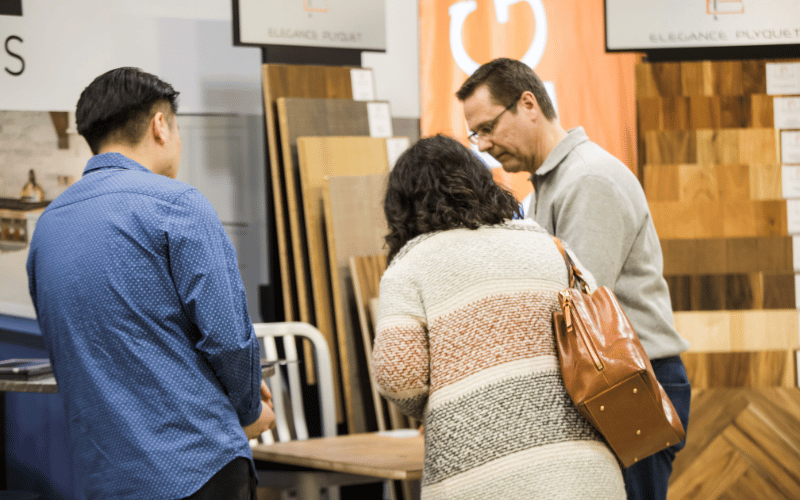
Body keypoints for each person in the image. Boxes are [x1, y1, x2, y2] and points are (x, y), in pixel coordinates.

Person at [26, 67, 275, 500]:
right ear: (161, 125)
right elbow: (230, 339)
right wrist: (249, 410)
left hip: (105, 477)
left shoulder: (47, 228)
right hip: (198, 468)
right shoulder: (177, 205)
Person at [456, 57, 691, 500]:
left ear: (528, 104)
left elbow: (574, 308)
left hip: (627, 382)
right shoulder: (546, 185)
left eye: (488, 127)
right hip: (604, 380)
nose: (483, 144)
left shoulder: (588, 179)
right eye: (475, 133)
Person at [372, 134, 626, 499]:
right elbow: (600, 338)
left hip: (485, 480)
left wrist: (440, 401)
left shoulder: (409, 266)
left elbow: (401, 377)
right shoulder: (551, 245)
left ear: (401, 208)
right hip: (589, 475)